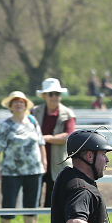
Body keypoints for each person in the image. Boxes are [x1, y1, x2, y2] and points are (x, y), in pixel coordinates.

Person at [0, 91, 47, 223]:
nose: (19, 104)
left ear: (25, 105)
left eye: (21, 101)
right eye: (15, 101)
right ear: (10, 105)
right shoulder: (6, 125)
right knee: (8, 203)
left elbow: (41, 143)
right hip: (11, 171)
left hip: (33, 170)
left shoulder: (32, 121)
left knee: (31, 203)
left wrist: (44, 162)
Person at [32, 78, 76, 207]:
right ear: (44, 96)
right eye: (50, 94)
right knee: (33, 200)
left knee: (53, 203)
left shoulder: (68, 114)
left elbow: (68, 136)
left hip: (58, 163)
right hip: (36, 161)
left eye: (57, 94)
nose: (54, 97)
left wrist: (45, 138)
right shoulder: (34, 112)